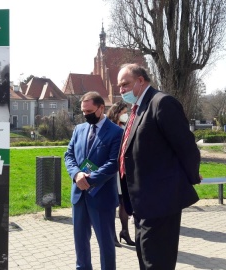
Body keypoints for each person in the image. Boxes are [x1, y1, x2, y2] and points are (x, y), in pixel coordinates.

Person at [117, 63, 202, 269]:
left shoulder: (162, 103)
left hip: (161, 201)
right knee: (146, 260)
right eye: (119, 86)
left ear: (140, 80)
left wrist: (191, 177)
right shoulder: (137, 109)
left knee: (157, 263)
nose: (121, 90)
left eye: (125, 84)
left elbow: (186, 146)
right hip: (141, 203)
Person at [64, 91, 123, 270]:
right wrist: (76, 175)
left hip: (102, 196)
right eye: (83, 112)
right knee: (80, 242)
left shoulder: (116, 132)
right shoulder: (79, 129)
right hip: (79, 196)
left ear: (101, 108)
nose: (86, 115)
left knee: (105, 243)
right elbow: (69, 155)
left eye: (89, 111)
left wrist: (89, 179)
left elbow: (114, 163)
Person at [106, 100, 135, 248]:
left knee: (124, 202)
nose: (126, 115)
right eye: (124, 113)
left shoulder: (125, 127)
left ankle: (125, 231)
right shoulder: (108, 127)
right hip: (112, 171)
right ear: (117, 113)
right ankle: (111, 235)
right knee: (112, 203)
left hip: (123, 171)